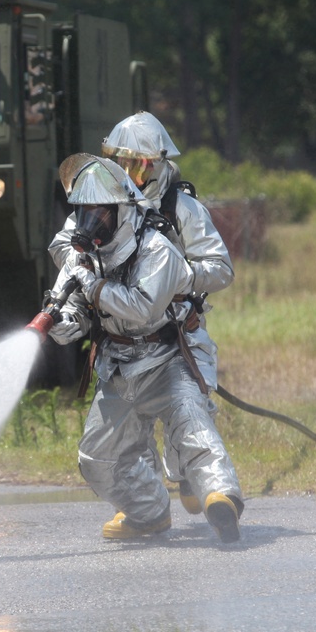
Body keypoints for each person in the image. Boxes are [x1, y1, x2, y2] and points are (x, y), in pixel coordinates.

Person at [46, 155, 244, 543]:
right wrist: (59, 322)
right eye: (84, 212)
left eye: (100, 212)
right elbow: (76, 316)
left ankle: (221, 498)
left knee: (192, 427)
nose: (92, 222)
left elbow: (141, 307)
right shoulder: (81, 255)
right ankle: (147, 512)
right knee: (96, 459)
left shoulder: (157, 249)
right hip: (117, 367)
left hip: (167, 359)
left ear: (121, 210)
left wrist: (92, 286)